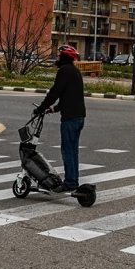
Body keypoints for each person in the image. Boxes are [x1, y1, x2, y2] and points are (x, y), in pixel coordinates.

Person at [34, 44, 86, 192]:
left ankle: (70, 182)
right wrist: (55, 108)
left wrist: (41, 108)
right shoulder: (75, 71)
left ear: (64, 56)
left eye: (59, 54)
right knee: (73, 150)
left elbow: (55, 93)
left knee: (67, 150)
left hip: (70, 119)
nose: (57, 57)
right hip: (79, 117)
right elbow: (70, 96)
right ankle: (73, 180)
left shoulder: (64, 71)